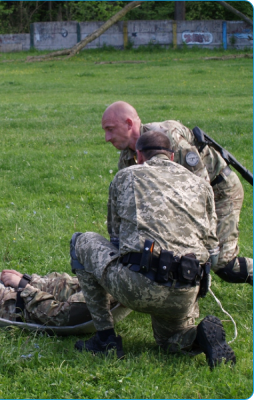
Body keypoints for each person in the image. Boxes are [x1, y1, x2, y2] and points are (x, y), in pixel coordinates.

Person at [72, 131, 236, 368]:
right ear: (171, 156)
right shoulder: (201, 184)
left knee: (81, 241)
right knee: (169, 341)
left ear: (139, 155)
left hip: (138, 285)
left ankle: (105, 339)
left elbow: (115, 237)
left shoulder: (125, 176)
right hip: (186, 289)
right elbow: (212, 249)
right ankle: (198, 335)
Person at [101, 101, 251, 285]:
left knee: (223, 264)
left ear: (129, 124)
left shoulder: (168, 139)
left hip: (218, 190)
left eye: (110, 129)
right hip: (185, 197)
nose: (107, 137)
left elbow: (201, 190)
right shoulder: (127, 159)